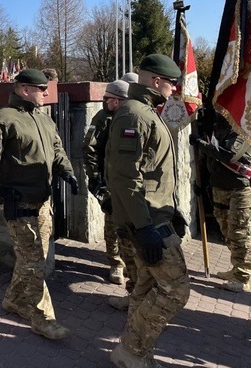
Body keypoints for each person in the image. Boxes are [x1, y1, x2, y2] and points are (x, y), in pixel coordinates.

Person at [0, 69, 78, 341]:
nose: (46, 92)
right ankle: (43, 317)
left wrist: (67, 171)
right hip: (17, 204)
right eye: (41, 88)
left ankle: (12, 300)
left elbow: (57, 150)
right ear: (23, 89)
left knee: (34, 259)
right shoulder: (2, 120)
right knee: (35, 264)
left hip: (43, 204)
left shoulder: (44, 120)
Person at [105, 54, 190, 367]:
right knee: (176, 290)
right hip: (149, 223)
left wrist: (172, 210)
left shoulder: (144, 113)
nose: (173, 89)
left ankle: (133, 350)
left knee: (146, 286)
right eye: (171, 83)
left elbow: (152, 173)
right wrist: (144, 228)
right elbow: (125, 178)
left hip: (156, 217)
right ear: (156, 81)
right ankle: (131, 349)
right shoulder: (136, 115)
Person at [83, 80, 139, 313]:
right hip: (109, 183)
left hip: (126, 183)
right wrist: (97, 180)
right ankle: (115, 263)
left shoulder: (129, 117)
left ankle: (129, 266)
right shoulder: (103, 119)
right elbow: (90, 150)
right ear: (114, 100)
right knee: (112, 224)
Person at [191, 113, 251, 292]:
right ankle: (236, 268)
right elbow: (209, 160)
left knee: (239, 231)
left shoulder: (243, 131)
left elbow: (230, 156)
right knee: (226, 230)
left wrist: (202, 144)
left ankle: (243, 275)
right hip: (219, 187)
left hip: (240, 189)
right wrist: (202, 184)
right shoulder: (218, 131)